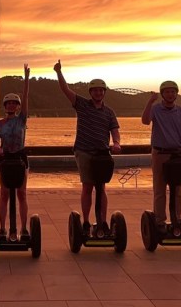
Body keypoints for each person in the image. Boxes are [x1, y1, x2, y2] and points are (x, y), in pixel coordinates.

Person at [54, 59, 121, 236]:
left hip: (102, 153)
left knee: (102, 187)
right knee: (87, 186)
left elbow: (114, 130)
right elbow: (65, 90)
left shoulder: (109, 112)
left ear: (104, 92)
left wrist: (116, 143)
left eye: (101, 90)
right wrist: (59, 72)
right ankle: (85, 221)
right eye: (95, 90)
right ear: (90, 92)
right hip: (83, 151)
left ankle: (103, 221)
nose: (98, 93)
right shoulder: (82, 105)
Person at [141, 80, 181, 234]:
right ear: (162, 94)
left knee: (177, 189)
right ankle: (160, 221)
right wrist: (150, 102)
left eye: (173, 92)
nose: (170, 94)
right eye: (167, 92)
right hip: (160, 153)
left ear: (176, 94)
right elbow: (145, 121)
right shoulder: (156, 109)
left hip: (177, 153)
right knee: (160, 188)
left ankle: (177, 219)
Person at [0, 63, 30, 240]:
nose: (12, 105)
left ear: (18, 106)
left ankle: (23, 228)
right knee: (4, 193)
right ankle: (2, 228)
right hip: (5, 159)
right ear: (5, 105)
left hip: (21, 159)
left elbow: (26, 98)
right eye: (9, 103)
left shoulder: (22, 119)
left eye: (15, 103)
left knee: (22, 193)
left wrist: (27, 79)